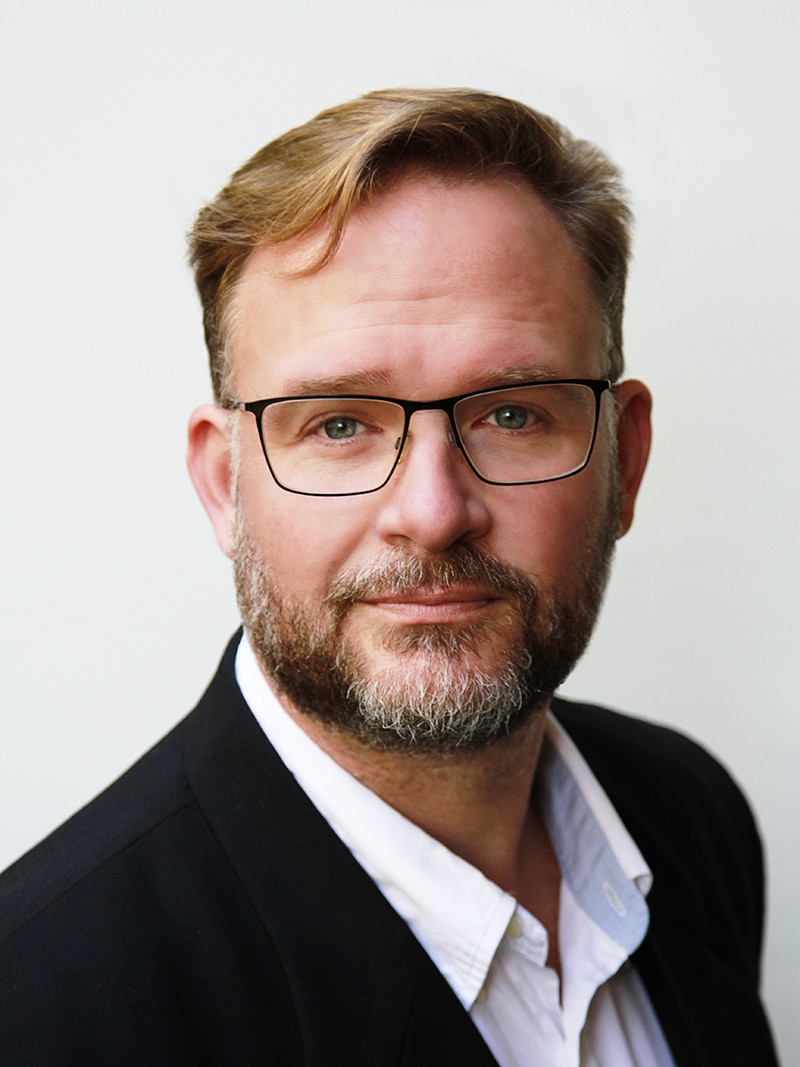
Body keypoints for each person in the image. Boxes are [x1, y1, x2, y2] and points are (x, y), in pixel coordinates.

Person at [0, 88, 778, 1066]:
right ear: (221, 484)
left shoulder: (689, 817)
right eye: (335, 423)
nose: (432, 510)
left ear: (624, 455)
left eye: (511, 413)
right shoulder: (43, 1004)